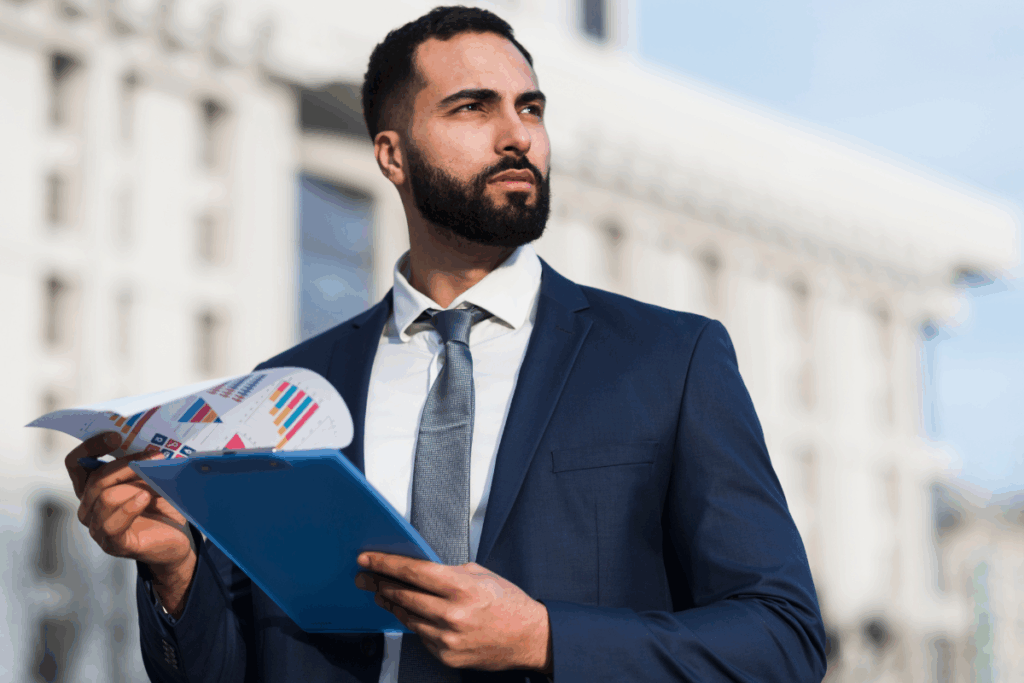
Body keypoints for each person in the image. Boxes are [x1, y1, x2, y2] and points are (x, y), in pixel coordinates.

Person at [66, 6, 827, 682]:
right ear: (392, 155)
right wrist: (175, 573)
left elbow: (783, 639)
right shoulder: (285, 388)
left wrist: (547, 638)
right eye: (473, 107)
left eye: (530, 107)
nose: (517, 134)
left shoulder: (669, 360)